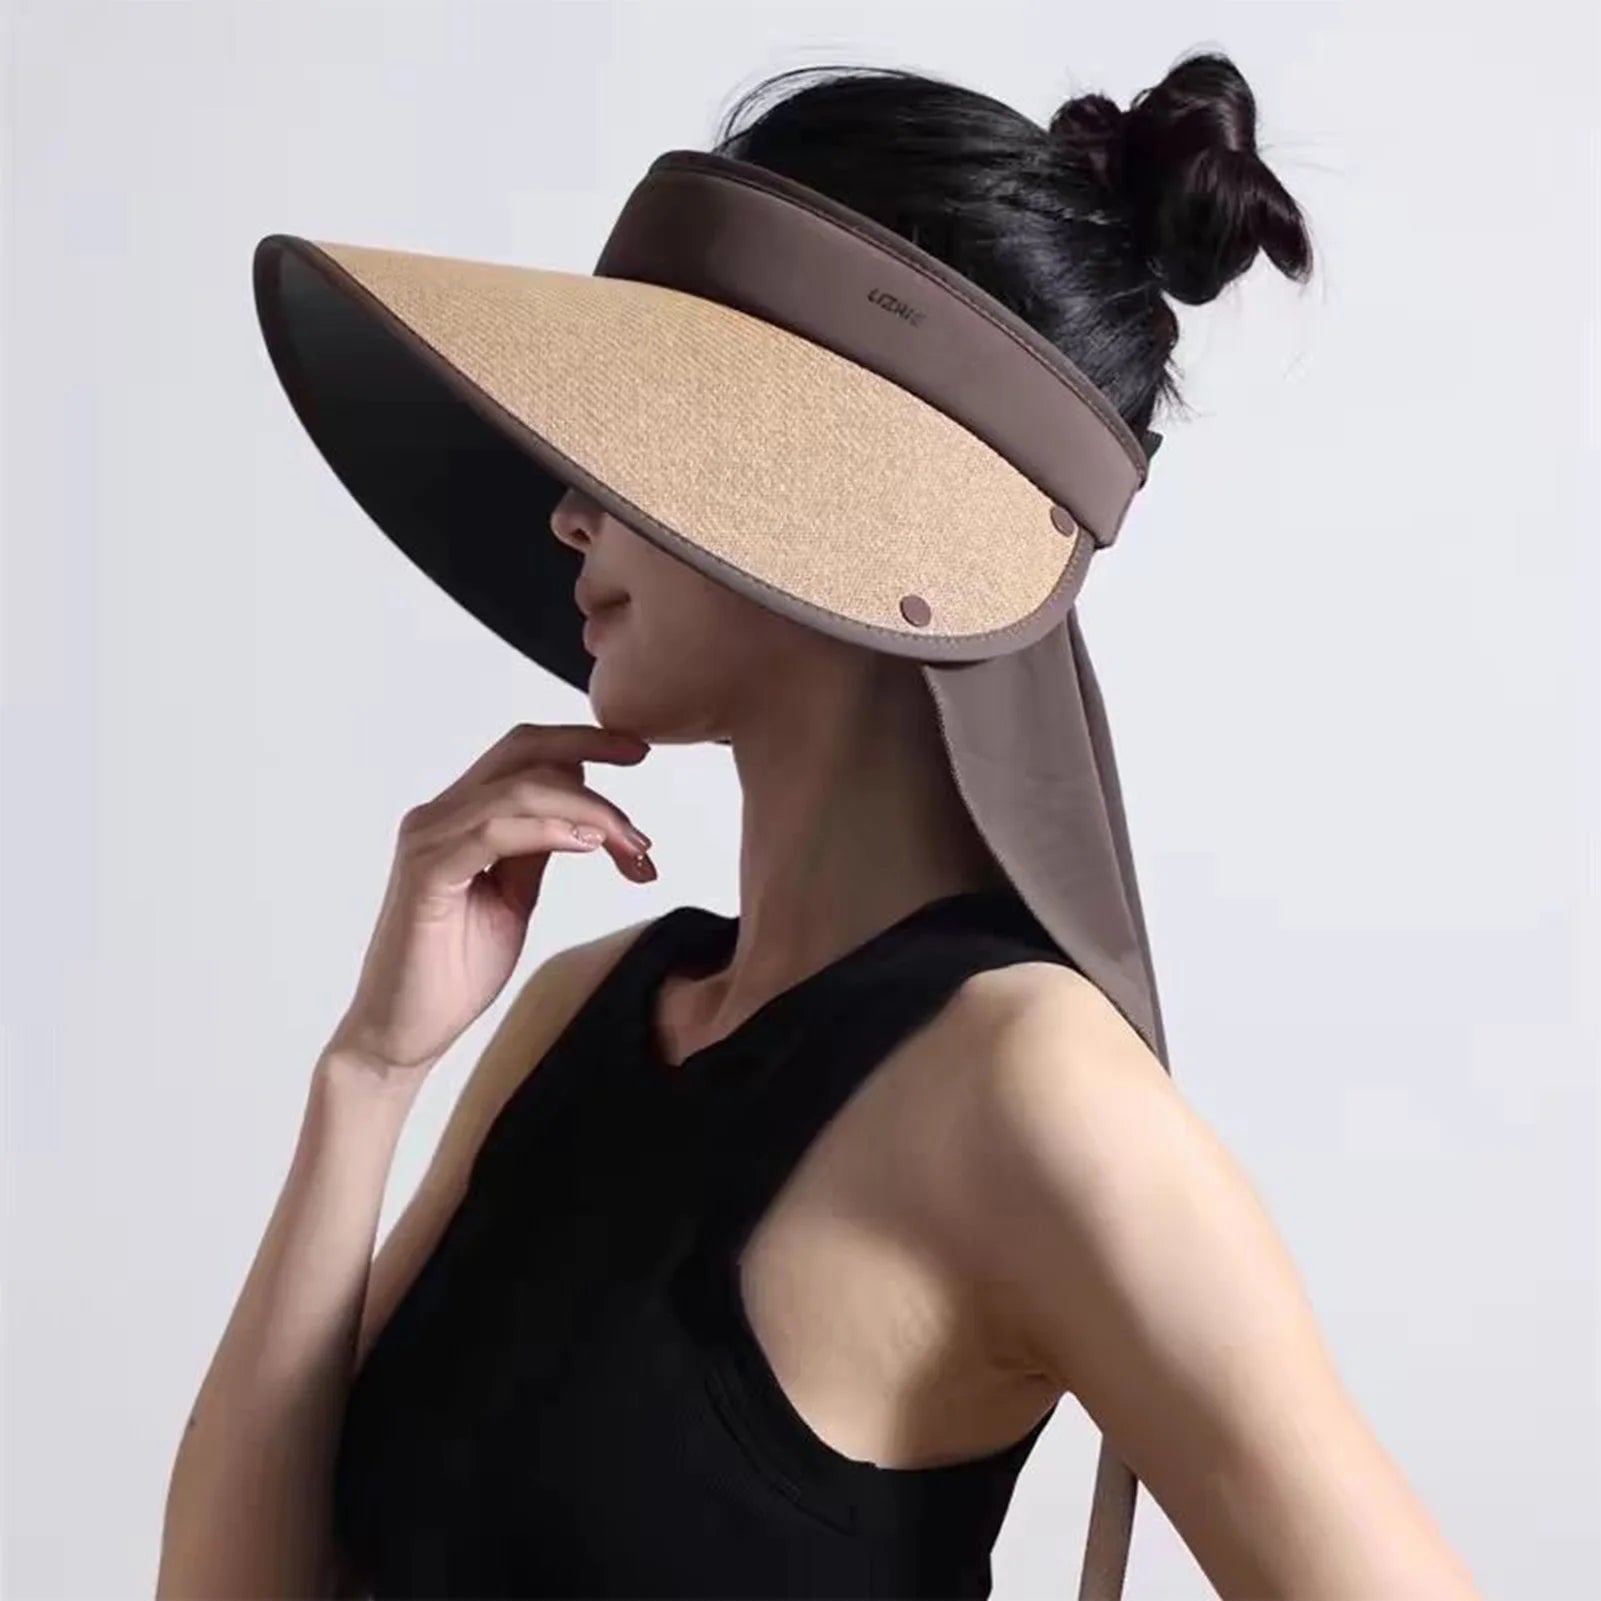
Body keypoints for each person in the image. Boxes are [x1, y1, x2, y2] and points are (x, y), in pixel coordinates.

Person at [158, 52, 1482, 1600]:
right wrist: (369, 1075)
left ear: (858, 481)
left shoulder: (1034, 1094)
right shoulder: (583, 1012)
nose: (569, 508)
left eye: (644, 419)